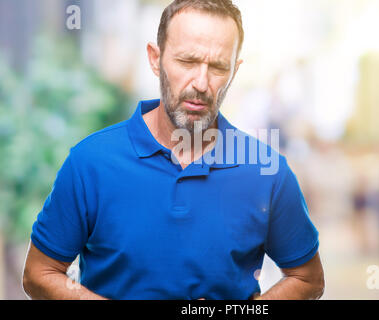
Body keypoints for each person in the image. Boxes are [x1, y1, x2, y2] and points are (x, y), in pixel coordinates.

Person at [22, 0, 324, 300]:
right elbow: (39, 273)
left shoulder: (266, 171)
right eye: (187, 61)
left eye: (218, 66)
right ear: (155, 58)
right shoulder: (90, 163)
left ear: (234, 70)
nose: (202, 83)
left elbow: (307, 279)